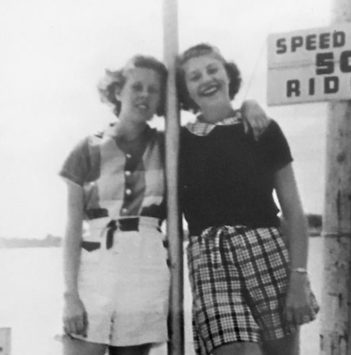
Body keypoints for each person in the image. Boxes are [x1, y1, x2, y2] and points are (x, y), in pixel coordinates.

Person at [60, 54, 269, 355]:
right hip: (95, 267)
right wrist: (70, 295)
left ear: (161, 100)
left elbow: (215, 123)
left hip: (146, 266)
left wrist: (249, 106)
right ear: (118, 91)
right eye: (137, 87)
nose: (145, 95)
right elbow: (71, 229)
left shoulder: (170, 144)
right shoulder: (87, 148)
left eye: (153, 90)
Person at [177, 43, 319, 355]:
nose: (206, 79)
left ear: (228, 74)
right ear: (186, 91)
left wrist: (298, 279)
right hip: (210, 258)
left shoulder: (262, 128)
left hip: (268, 252)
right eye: (194, 76)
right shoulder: (178, 141)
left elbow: (293, 211)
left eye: (213, 70)